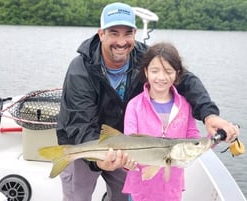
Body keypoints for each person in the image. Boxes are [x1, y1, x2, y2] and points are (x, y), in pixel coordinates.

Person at [56, 2, 239, 201]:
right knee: (77, 197)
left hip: (126, 144)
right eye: (114, 33)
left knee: (122, 196)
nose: (121, 41)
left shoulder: (145, 58)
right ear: (101, 34)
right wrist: (98, 161)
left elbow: (186, 80)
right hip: (83, 141)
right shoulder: (80, 69)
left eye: (127, 33)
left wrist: (209, 115)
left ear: (135, 33)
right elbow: (80, 123)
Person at [122, 42, 200, 201]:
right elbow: (127, 142)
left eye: (168, 71)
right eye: (155, 71)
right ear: (146, 71)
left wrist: (216, 138)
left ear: (177, 74)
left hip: (171, 187)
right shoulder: (134, 106)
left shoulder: (185, 105)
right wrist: (126, 163)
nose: (161, 77)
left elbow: (194, 137)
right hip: (139, 187)